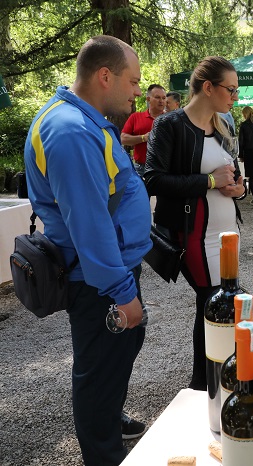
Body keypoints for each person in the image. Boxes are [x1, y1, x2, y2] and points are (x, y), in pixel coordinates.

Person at [22, 35, 151, 466]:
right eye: (133, 81)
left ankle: (108, 419)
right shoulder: (71, 131)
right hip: (97, 280)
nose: (137, 91)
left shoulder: (82, 120)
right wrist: (122, 291)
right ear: (105, 76)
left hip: (108, 271)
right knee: (98, 370)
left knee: (116, 355)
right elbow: (89, 223)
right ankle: (104, 453)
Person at [144, 56, 245, 390]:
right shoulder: (170, 125)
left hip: (227, 234)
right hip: (194, 235)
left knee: (220, 302)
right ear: (208, 87)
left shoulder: (224, 125)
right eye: (231, 89)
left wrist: (239, 189)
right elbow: (153, 180)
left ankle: (218, 379)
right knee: (213, 301)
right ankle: (204, 384)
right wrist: (210, 182)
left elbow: (233, 174)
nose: (235, 97)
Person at [121, 83, 166, 176]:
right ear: (148, 99)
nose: (161, 101)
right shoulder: (135, 117)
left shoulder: (170, 119)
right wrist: (143, 138)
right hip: (141, 169)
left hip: (164, 168)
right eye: (157, 97)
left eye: (164, 98)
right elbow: (123, 139)